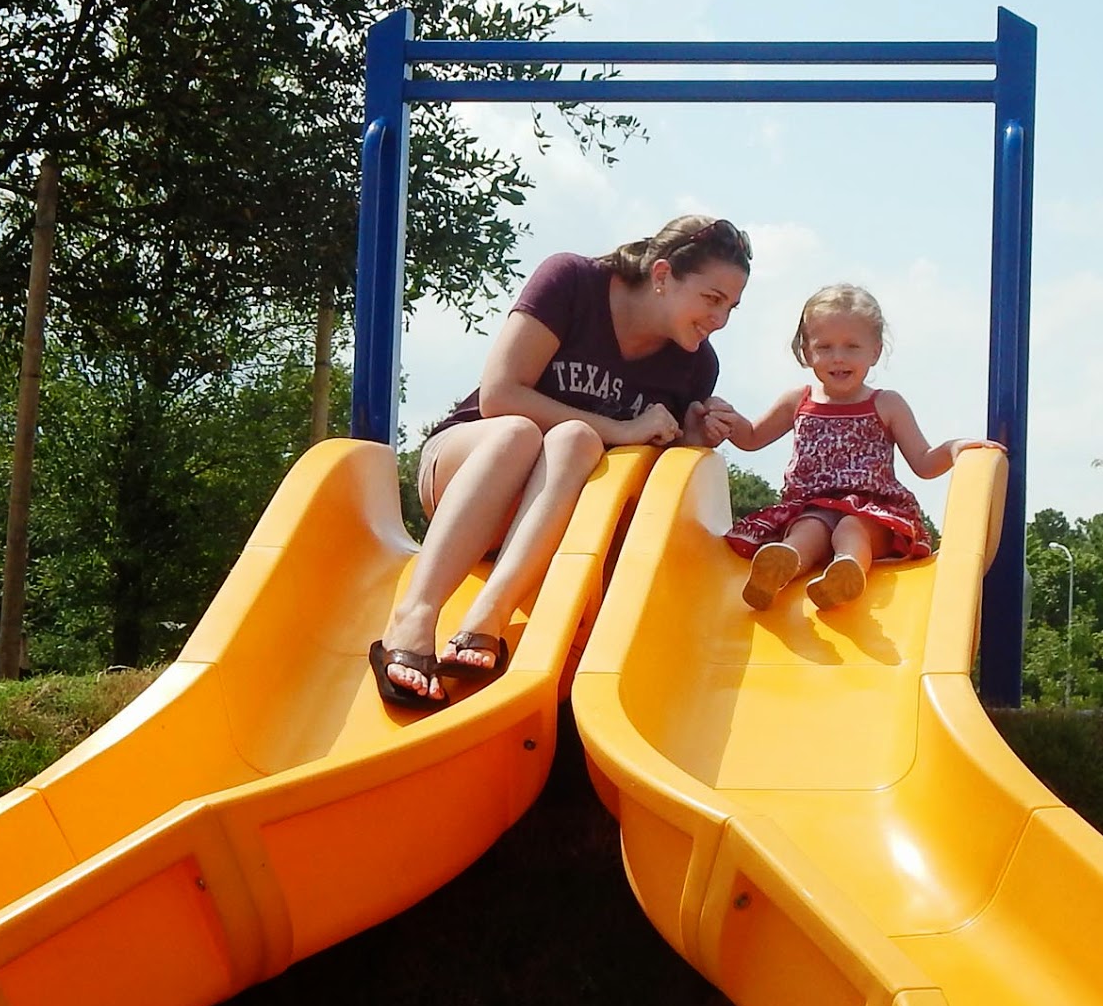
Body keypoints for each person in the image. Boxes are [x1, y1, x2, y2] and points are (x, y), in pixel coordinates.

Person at [370, 214, 752, 708]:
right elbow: (499, 394)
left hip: (550, 518)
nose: (720, 320)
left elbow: (640, 491)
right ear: (662, 275)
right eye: (712, 299)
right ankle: (414, 617)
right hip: (467, 470)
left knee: (575, 440)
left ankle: (488, 617)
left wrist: (692, 440)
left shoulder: (696, 364)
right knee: (520, 431)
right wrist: (621, 429)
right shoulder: (572, 281)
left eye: (731, 307)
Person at [720, 283, 1000, 611]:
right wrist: (726, 419)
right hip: (813, 507)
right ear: (807, 351)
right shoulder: (798, 401)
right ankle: (780, 568)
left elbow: (924, 463)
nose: (838, 357)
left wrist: (954, 449)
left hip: (874, 513)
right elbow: (752, 438)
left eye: (852, 346)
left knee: (852, 528)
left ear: (875, 351)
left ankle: (847, 570)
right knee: (808, 529)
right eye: (824, 347)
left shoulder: (887, 404)